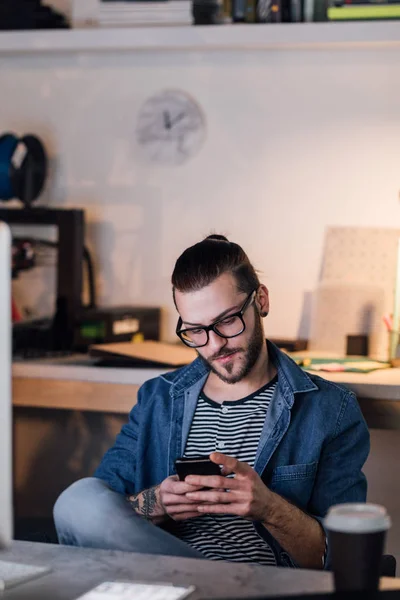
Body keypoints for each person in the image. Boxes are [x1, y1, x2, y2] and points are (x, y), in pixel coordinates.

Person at [54, 234, 370, 570]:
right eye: (196, 331)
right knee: (79, 499)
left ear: (261, 300)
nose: (215, 344)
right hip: (165, 582)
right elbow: (103, 511)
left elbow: (343, 558)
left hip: (262, 589)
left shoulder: (331, 410)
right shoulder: (158, 399)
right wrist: (157, 502)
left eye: (227, 320)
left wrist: (269, 508)